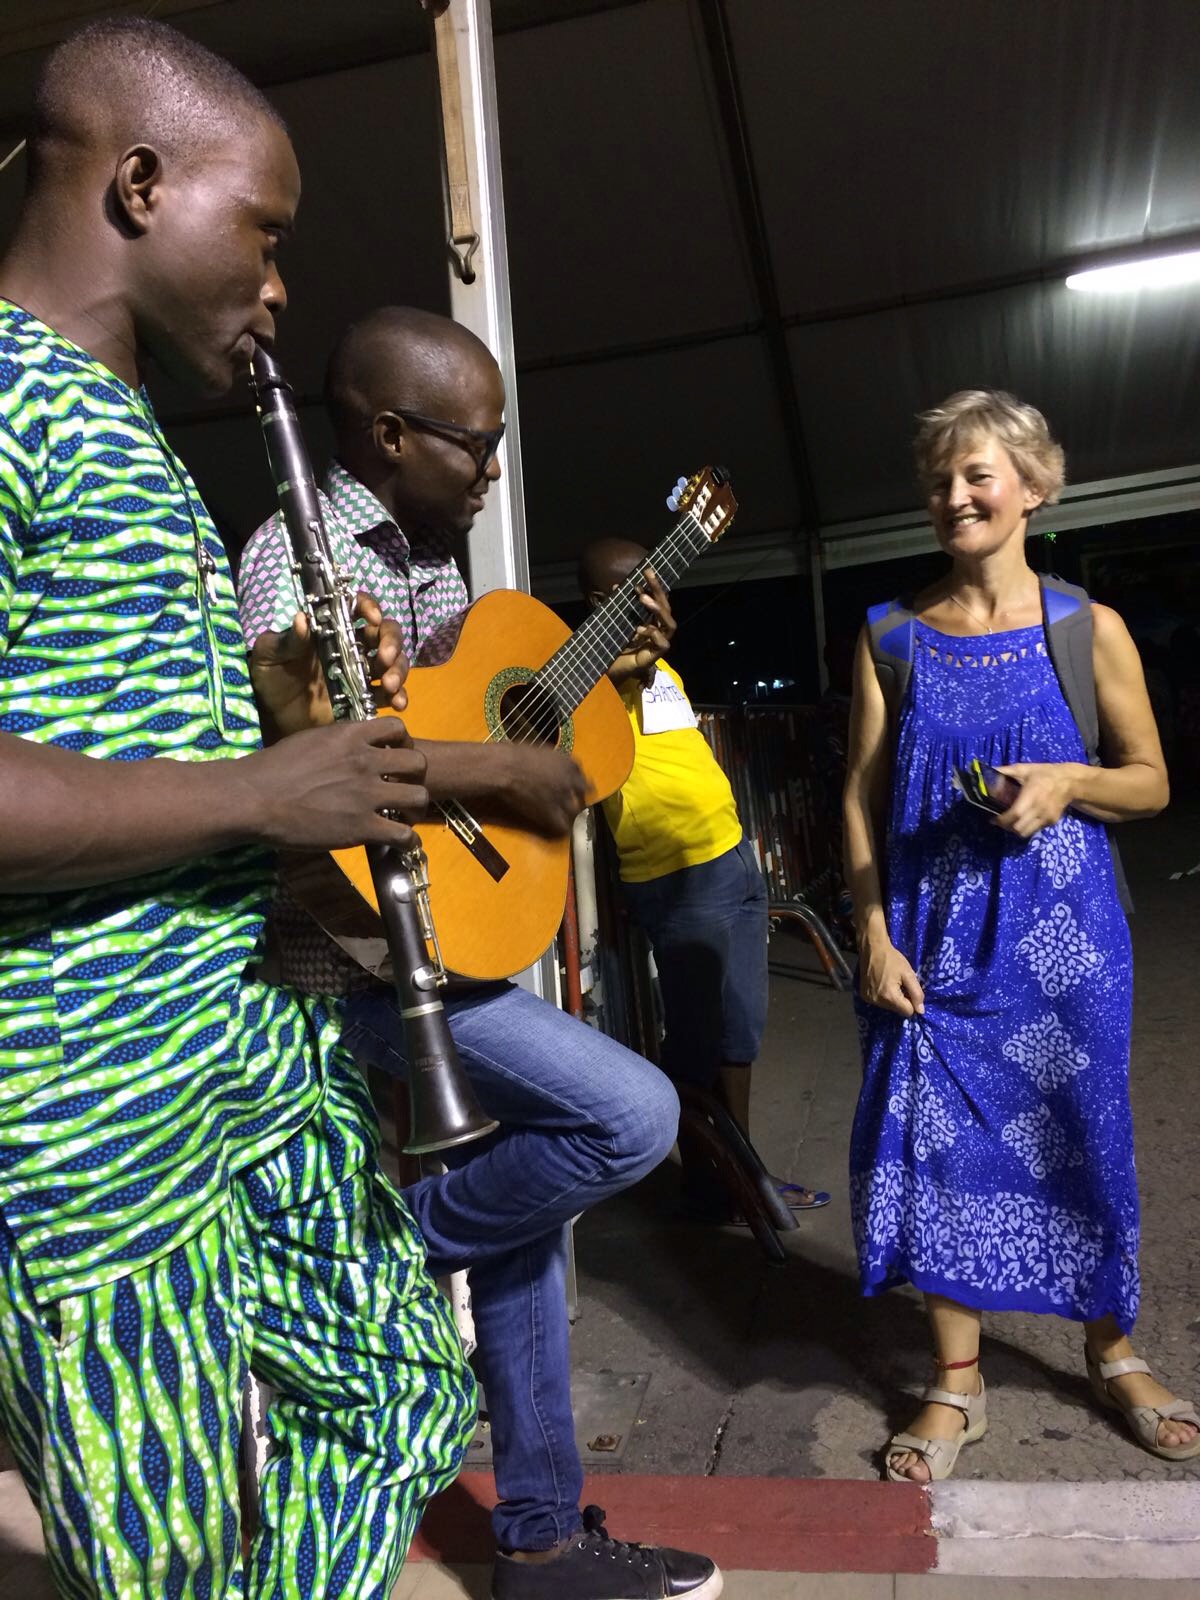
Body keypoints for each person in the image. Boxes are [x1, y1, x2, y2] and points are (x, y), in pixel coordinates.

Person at [0, 20, 476, 1600]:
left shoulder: (129, 425)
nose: (278, 286)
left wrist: (281, 704)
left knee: (404, 1394)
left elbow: (108, 727)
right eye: (263, 232)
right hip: (91, 1131)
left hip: (247, 1059)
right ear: (140, 183)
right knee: (173, 1561)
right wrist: (264, 791)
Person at [238, 306, 724, 1600]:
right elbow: (318, 752)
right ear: (393, 434)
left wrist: (604, 681)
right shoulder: (293, 554)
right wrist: (505, 768)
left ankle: (542, 1542)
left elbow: (473, 718)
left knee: (527, 1211)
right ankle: (365, 1273)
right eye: (478, 441)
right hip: (350, 952)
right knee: (631, 1116)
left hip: (449, 929)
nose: (495, 468)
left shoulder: (444, 568)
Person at [842, 389, 1196, 1482]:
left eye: (978, 475)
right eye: (940, 480)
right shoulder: (891, 636)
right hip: (931, 945)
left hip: (1067, 946)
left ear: (1033, 489)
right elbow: (857, 796)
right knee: (937, 1153)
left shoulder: (1087, 629)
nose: (954, 496)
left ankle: (1113, 1350)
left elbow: (1151, 781)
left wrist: (1070, 783)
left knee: (1083, 1137)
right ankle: (958, 1381)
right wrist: (871, 932)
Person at [578, 539, 830, 1223]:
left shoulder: (663, 670)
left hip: (731, 858)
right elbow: (576, 701)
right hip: (677, 876)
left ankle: (744, 1174)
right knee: (693, 1044)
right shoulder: (587, 684)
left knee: (739, 1030)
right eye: (641, 589)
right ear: (603, 603)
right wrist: (627, 659)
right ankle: (705, 1188)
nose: (657, 599)